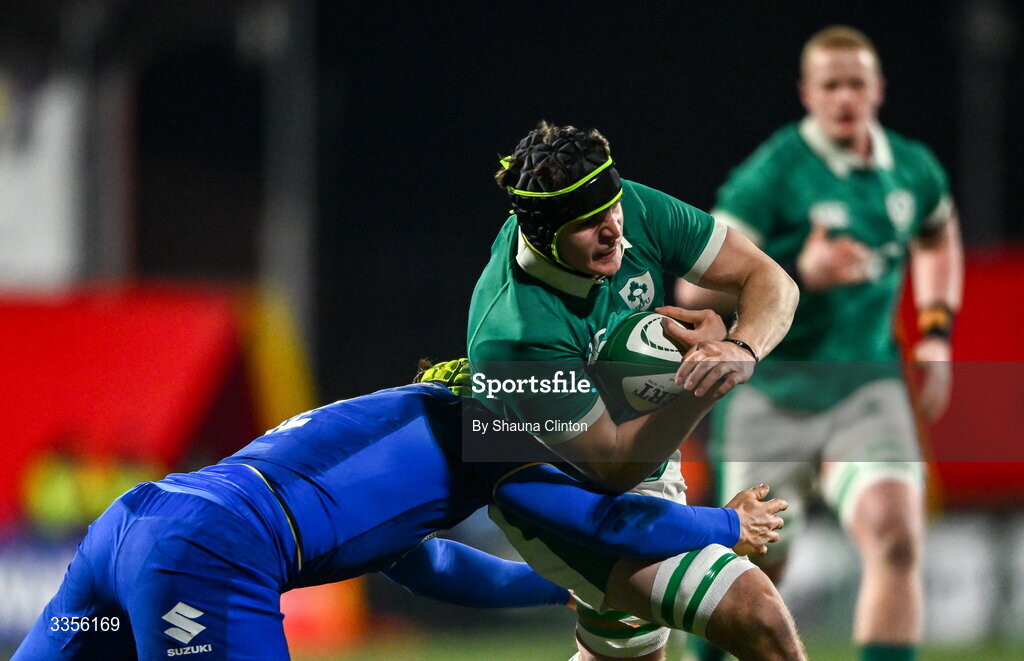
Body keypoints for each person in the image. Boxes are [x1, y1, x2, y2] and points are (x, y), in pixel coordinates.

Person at [14, 359, 787, 661]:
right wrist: (727, 525)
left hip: (129, 531)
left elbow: (435, 565)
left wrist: (566, 585)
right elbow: (604, 526)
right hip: (206, 554)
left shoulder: (400, 418)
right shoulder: (492, 428)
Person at [675, 26, 964, 661]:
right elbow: (692, 292)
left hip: (868, 387)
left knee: (897, 537)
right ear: (807, 93)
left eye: (856, 84)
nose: (844, 98)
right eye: (830, 85)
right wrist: (794, 271)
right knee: (752, 570)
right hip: (772, 392)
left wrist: (937, 331)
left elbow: (939, 235)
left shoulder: (911, 168)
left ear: (878, 90)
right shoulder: (772, 175)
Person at [468, 123, 803, 660]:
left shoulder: (629, 209)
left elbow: (771, 282)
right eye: (589, 225)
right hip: (558, 496)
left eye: (613, 209)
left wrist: (738, 349)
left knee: (625, 657)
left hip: (638, 448)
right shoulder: (515, 334)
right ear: (540, 234)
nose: (615, 232)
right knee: (757, 615)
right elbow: (613, 468)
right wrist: (703, 380)